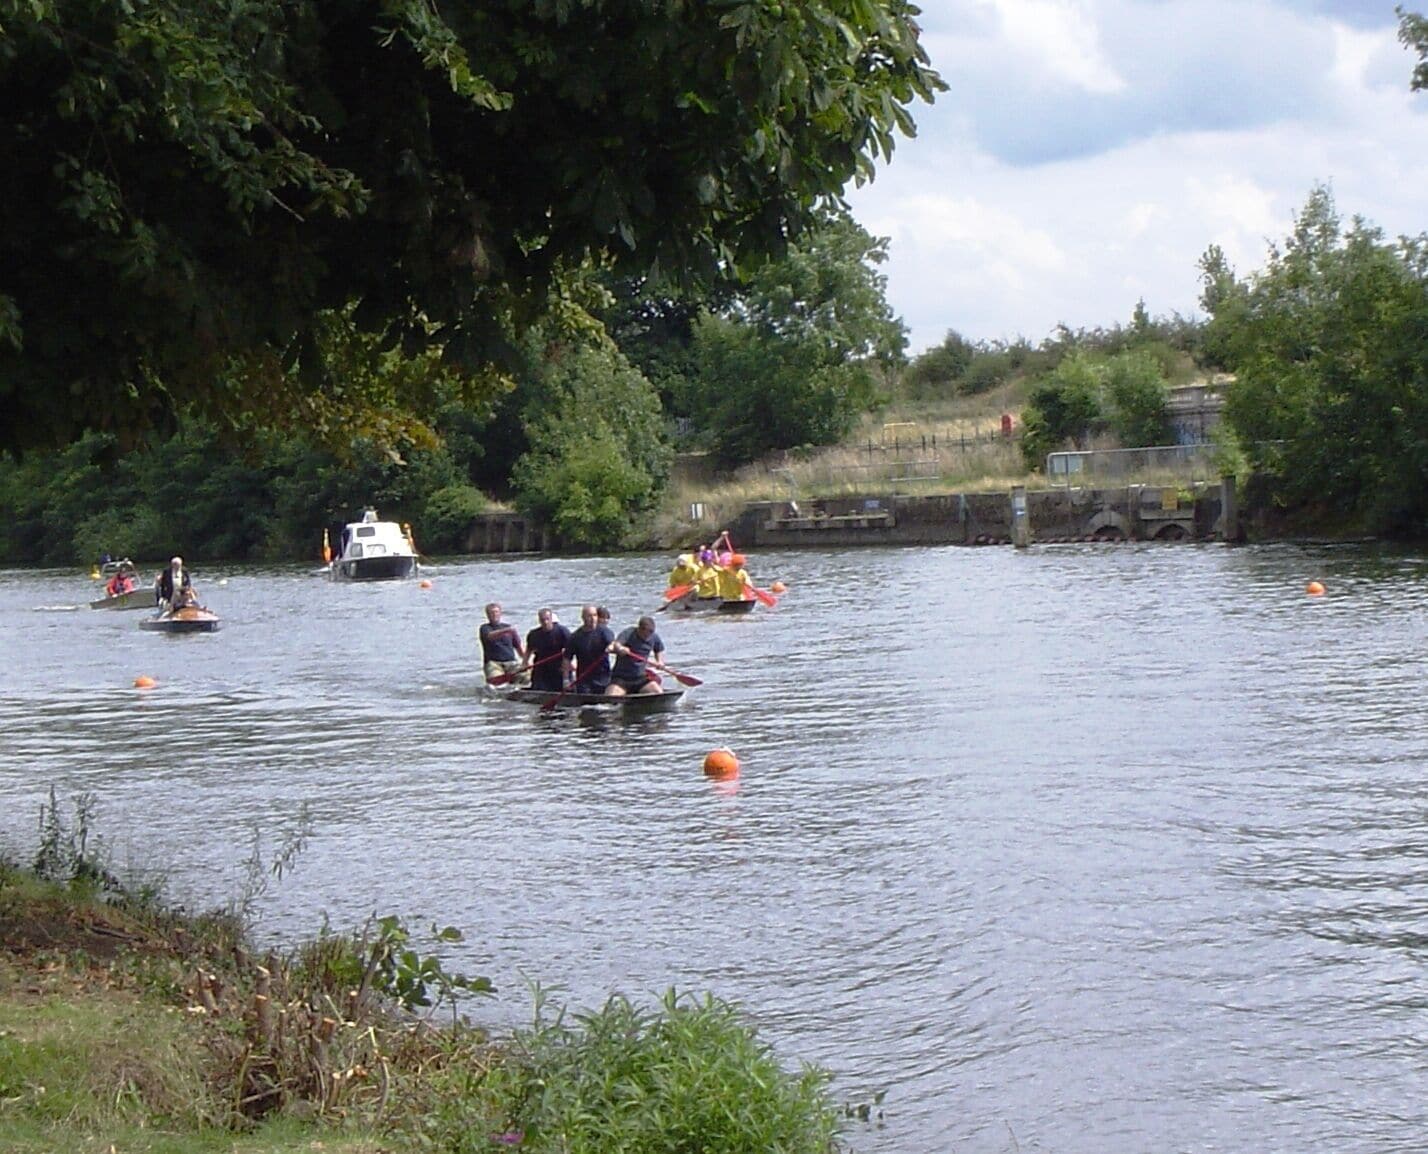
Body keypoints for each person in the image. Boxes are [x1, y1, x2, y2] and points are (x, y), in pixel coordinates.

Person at [607, 615, 667, 696]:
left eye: (651, 633)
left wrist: (659, 661)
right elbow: (617, 644)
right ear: (639, 629)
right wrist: (621, 648)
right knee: (612, 696)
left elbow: (659, 649)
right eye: (645, 634)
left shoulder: (653, 636)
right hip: (621, 678)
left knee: (658, 693)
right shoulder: (629, 632)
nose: (648, 637)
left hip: (640, 678)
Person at [564, 605, 615, 695]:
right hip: (584, 679)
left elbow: (614, 644)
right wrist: (566, 680)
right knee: (587, 705)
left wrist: (612, 647)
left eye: (595, 615)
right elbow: (567, 658)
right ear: (583, 618)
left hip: (603, 677)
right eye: (589, 616)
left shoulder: (604, 632)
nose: (593, 619)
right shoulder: (575, 637)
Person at [523, 607, 571, 693]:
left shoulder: (562, 632)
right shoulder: (534, 634)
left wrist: (569, 670)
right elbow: (528, 650)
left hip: (558, 668)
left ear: (551, 619)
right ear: (539, 621)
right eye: (542, 620)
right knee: (538, 690)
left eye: (547, 619)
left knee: (565, 689)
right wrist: (524, 663)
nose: (545, 622)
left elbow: (570, 652)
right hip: (541, 669)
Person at [479, 602, 526, 686]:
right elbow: (490, 636)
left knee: (526, 677)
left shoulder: (508, 627)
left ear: (500, 613)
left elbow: (518, 646)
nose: (494, 615)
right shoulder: (485, 628)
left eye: (496, 612)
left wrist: (525, 660)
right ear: (487, 615)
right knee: (496, 680)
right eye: (491, 613)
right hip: (494, 664)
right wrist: (506, 631)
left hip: (511, 663)